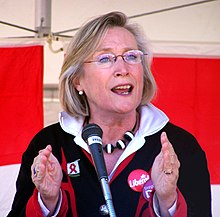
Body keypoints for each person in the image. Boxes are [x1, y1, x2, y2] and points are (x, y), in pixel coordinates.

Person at [7, 11, 212, 217]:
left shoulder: (179, 147)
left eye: (131, 56)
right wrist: (48, 202)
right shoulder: (49, 145)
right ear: (77, 79)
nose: (123, 68)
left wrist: (168, 201)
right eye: (105, 58)